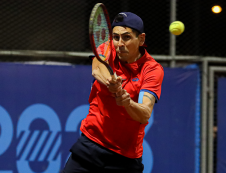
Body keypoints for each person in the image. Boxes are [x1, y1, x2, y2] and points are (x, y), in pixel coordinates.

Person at [62, 12, 164, 173]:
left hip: (125, 158)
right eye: (116, 37)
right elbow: (97, 69)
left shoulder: (152, 70)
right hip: (90, 145)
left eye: (126, 37)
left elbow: (144, 113)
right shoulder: (107, 48)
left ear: (141, 39)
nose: (119, 43)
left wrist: (127, 102)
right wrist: (112, 83)